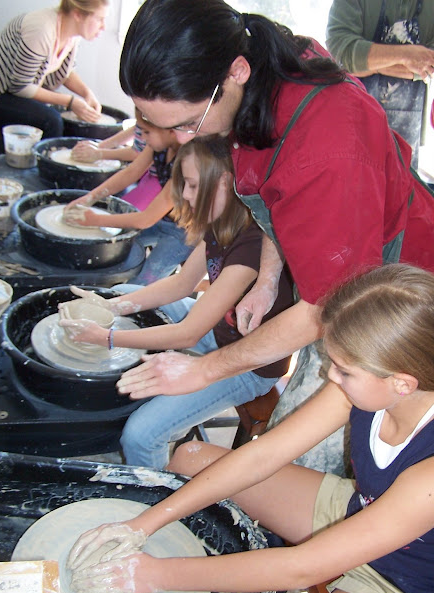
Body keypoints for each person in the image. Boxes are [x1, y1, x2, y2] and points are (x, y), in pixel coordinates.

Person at [68, 263, 434, 593]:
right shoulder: (368, 388)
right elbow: (264, 454)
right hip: (361, 508)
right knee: (191, 459)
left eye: (344, 371)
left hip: (405, 581)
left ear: (403, 382)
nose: (332, 377)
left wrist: (153, 574)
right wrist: (143, 524)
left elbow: (302, 568)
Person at [110, 0, 434, 429]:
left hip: (401, 295)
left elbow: (326, 307)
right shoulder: (266, 66)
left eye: (190, 122)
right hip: (339, 263)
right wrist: (266, 280)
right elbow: (277, 193)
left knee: (314, 447)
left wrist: (203, 370)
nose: (183, 139)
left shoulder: (326, 153)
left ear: (236, 73)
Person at [59, 136, 293, 468]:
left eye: (194, 186)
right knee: (126, 292)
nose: (183, 195)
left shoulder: (252, 243)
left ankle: (154, 496)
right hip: (219, 330)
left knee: (140, 435)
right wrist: (111, 304)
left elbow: (187, 335)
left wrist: (108, 337)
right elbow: (183, 283)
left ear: (225, 181)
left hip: (249, 364)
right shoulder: (223, 220)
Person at [64, 113, 193, 285]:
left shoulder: (186, 163)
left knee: (143, 282)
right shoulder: (160, 145)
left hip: (183, 232)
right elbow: (131, 172)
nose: (142, 138)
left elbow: (145, 219)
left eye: (147, 132)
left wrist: (95, 220)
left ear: (171, 131)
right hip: (162, 218)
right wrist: (90, 197)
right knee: (117, 248)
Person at [326, 0, 434, 169]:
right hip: (352, 130)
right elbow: (341, 52)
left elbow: (429, 64)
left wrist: (367, 63)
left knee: (401, 188)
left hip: (406, 138)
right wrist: (406, 56)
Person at [0, 0, 108, 141]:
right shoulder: (41, 29)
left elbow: (65, 73)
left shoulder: (72, 35)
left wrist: (87, 94)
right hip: (0, 93)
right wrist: (71, 101)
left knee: (66, 115)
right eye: (99, 19)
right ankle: (42, 161)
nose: (103, 27)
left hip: (18, 92)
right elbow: (20, 87)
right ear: (78, 14)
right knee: (52, 120)